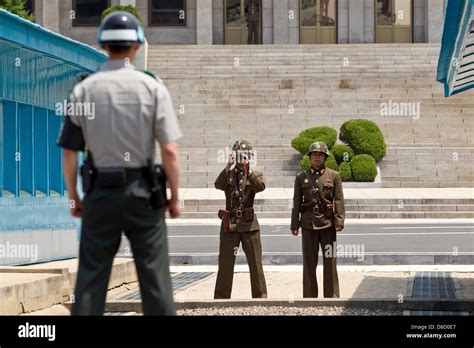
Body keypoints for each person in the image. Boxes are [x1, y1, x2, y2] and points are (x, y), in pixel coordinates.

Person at [57, 11, 182, 315]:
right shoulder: (152, 88)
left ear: (102, 45)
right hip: (144, 193)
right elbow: (169, 150)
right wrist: (174, 198)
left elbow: (69, 151)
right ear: (137, 46)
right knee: (155, 280)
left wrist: (74, 196)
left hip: (100, 193)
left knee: (90, 278)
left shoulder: (84, 89)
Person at [290, 141, 345, 298]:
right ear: (309, 156)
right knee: (309, 263)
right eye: (314, 154)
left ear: (325, 157)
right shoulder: (301, 177)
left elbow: (339, 199)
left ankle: (332, 296)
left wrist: (339, 219)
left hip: (328, 224)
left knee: (330, 262)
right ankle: (309, 297)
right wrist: (295, 224)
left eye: (320, 155)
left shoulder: (334, 175)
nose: (317, 157)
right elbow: (296, 202)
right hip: (308, 224)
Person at [214, 140, 267, 299]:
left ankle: (260, 298)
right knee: (225, 263)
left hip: (249, 225)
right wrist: (227, 166)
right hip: (230, 225)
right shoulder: (228, 174)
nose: (241, 158)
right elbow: (218, 185)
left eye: (245, 155)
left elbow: (260, 187)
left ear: (249, 156)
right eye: (238, 155)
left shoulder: (255, 174)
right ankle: (221, 299)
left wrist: (248, 171)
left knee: (256, 264)